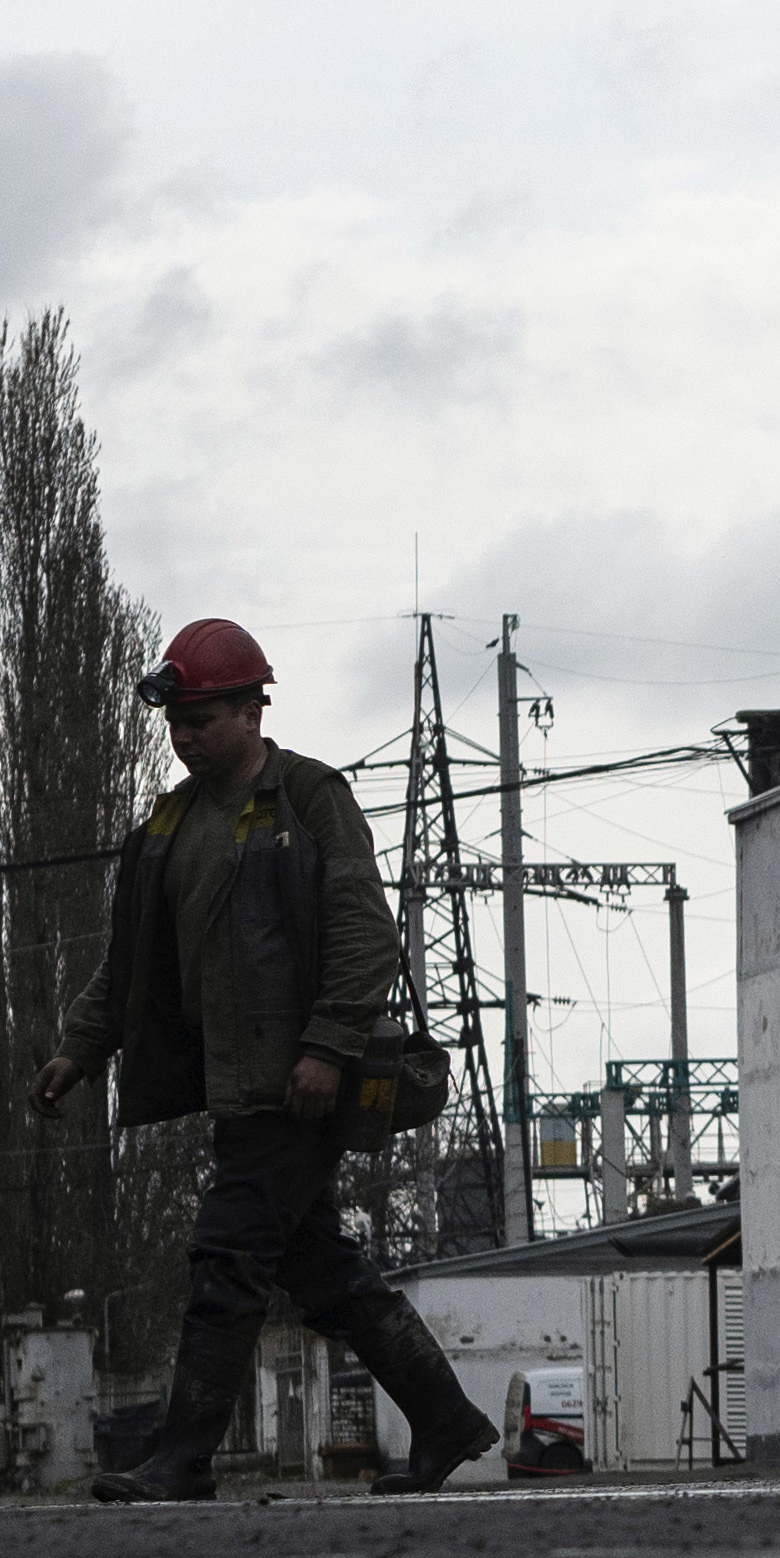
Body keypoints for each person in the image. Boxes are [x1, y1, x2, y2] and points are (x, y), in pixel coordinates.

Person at [40, 615, 495, 1498]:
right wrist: (79, 1050)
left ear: (253, 708)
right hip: (238, 1089)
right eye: (176, 723)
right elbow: (130, 964)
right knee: (320, 1270)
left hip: (301, 1092)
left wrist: (327, 1048)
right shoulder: (167, 828)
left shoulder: (309, 799)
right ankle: (446, 1421)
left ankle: (182, 1459)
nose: (185, 738)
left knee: (227, 1259)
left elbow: (366, 934)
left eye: (202, 719)